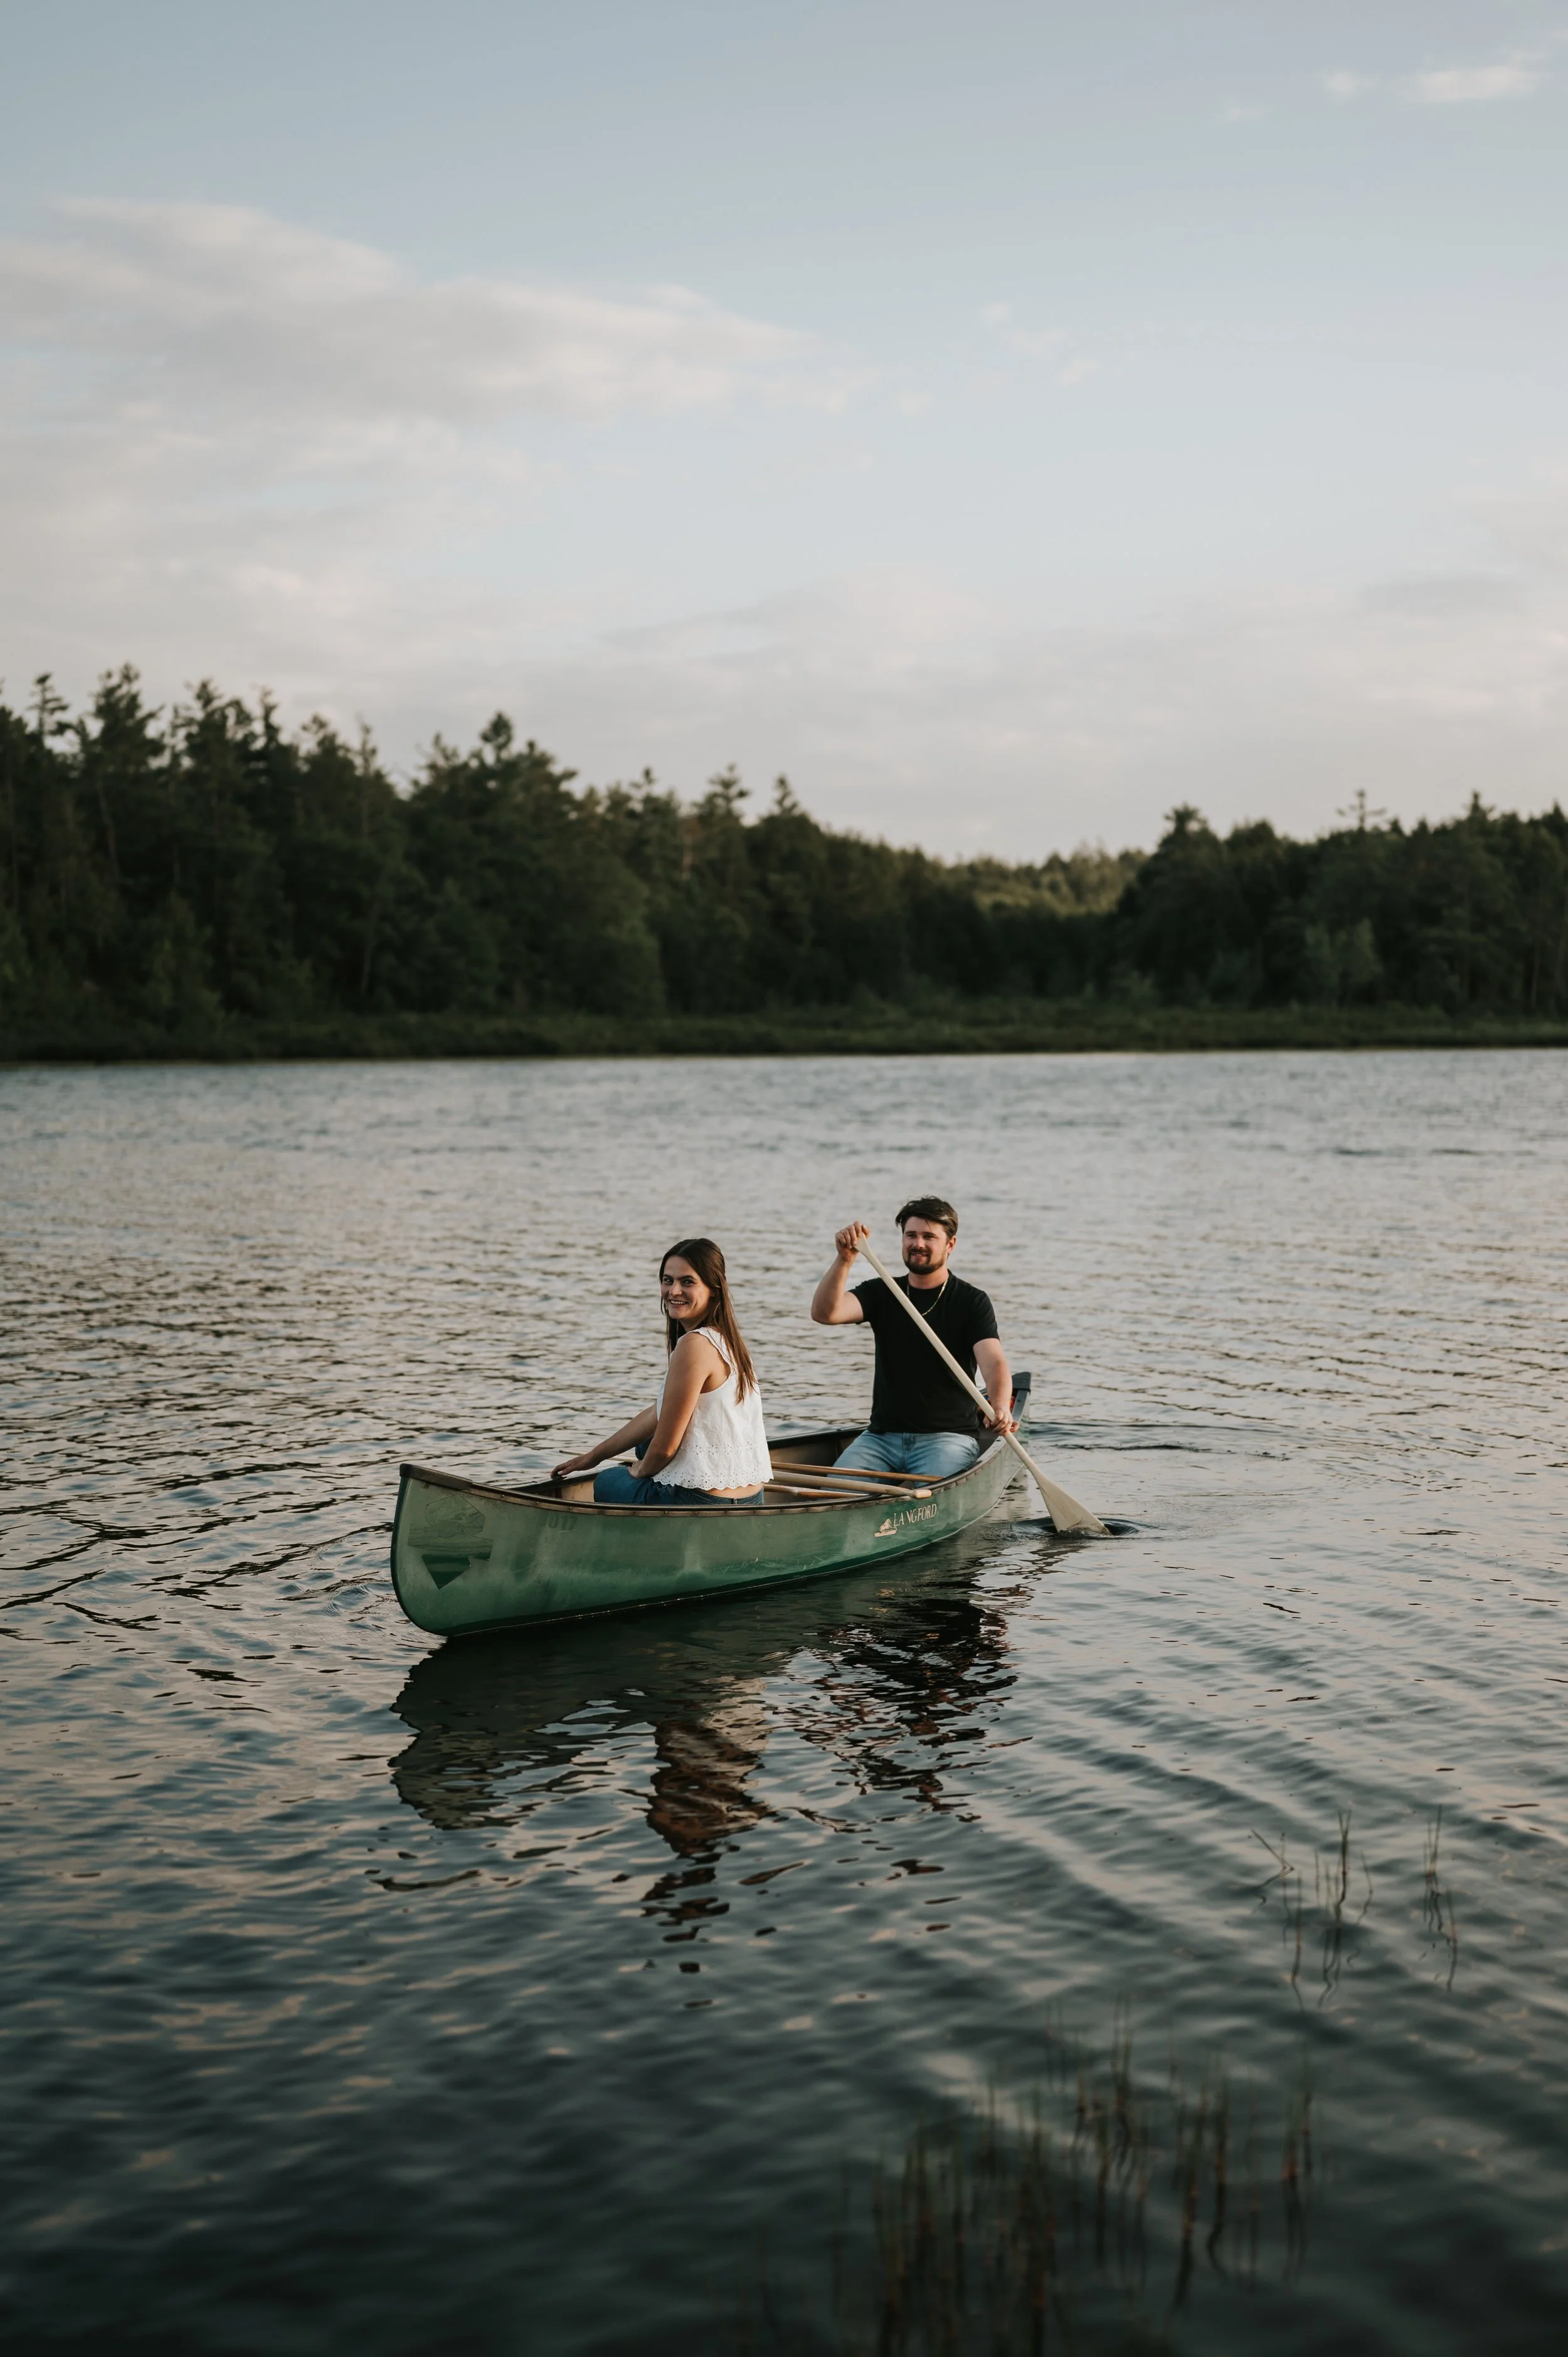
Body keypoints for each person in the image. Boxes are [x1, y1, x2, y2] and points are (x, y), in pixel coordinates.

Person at [552, 1237, 771, 1507]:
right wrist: (593, 1455)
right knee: (644, 1446)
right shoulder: (730, 1341)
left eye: (687, 1282)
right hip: (752, 1497)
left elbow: (666, 1448)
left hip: (702, 1499)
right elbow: (660, 1412)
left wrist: (638, 1471)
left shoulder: (694, 1345)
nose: (674, 1290)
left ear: (714, 1288)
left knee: (608, 1481)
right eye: (668, 1280)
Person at [809, 1197, 1015, 1480]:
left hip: (948, 1439)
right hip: (881, 1438)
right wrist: (844, 1260)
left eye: (929, 1237)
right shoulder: (883, 1292)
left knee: (924, 1498)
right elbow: (825, 1313)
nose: (918, 1243)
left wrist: (1001, 1405)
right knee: (833, 1493)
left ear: (950, 1244)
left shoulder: (971, 1301)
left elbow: (993, 1363)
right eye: (911, 1235)